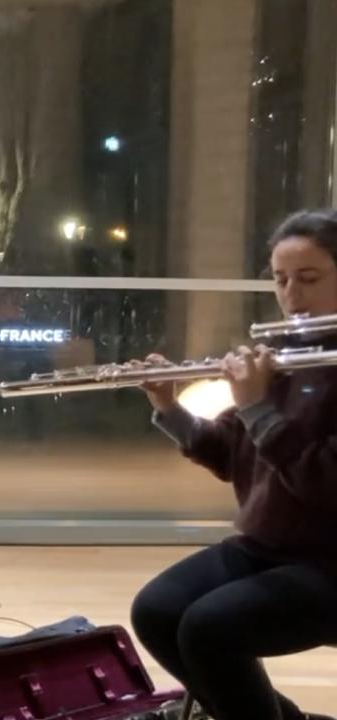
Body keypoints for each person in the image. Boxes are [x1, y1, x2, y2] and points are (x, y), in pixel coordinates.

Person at [130, 209, 337, 720]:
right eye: (280, 279)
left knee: (209, 628)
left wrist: (256, 405)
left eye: (309, 278)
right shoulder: (283, 355)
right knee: (156, 611)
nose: (292, 295)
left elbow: (324, 484)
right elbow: (228, 453)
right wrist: (167, 406)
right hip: (266, 547)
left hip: (330, 561)